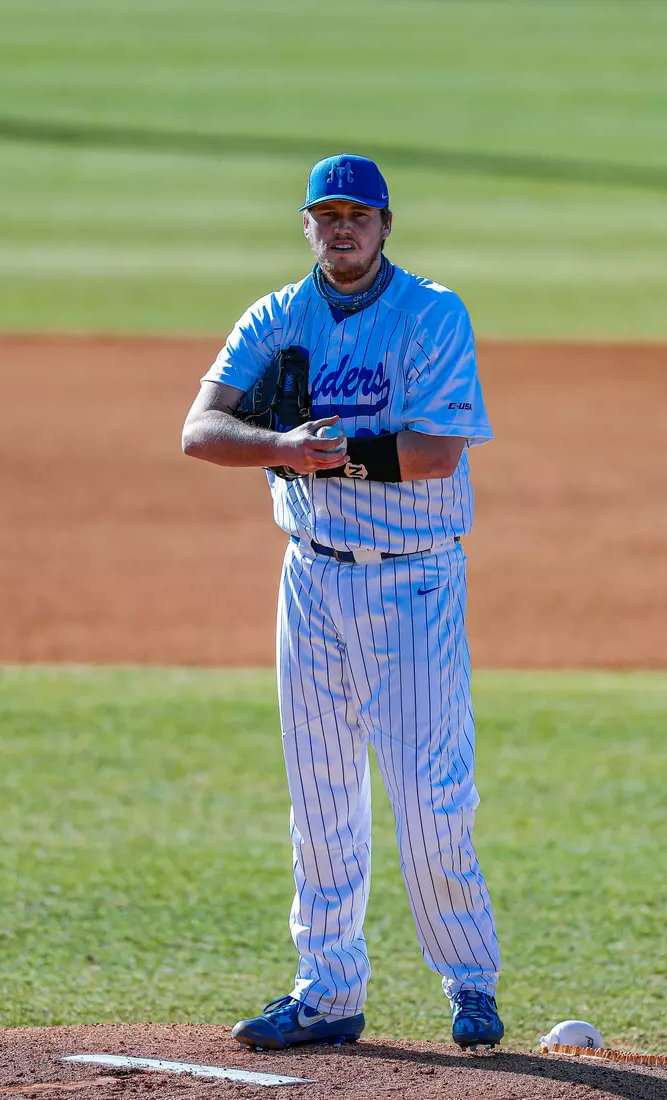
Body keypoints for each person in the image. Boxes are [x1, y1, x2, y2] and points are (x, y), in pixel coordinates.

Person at [181, 153, 503, 1052]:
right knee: (319, 797)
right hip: (312, 575)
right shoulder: (278, 317)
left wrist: (328, 453)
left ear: (385, 224)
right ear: (309, 226)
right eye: (326, 215)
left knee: (431, 793)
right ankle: (327, 994)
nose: (342, 228)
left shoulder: (432, 313)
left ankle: (469, 980)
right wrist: (275, 441)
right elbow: (200, 431)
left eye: (357, 214)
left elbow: (437, 454)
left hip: (414, 576)